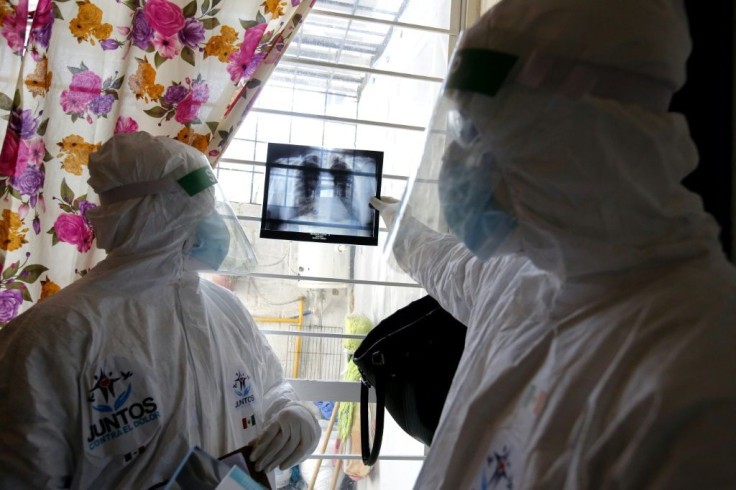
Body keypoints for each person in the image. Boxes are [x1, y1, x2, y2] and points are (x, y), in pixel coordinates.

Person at [371, 0, 736, 488]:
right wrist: (399, 226)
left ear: (577, 136)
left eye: (476, 134)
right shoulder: (528, 268)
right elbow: (448, 267)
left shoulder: (698, 377)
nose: (457, 165)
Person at [0, 132, 319, 488]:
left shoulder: (224, 307)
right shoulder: (55, 335)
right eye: (199, 210)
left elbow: (271, 386)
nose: (214, 225)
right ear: (152, 215)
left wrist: (294, 412)